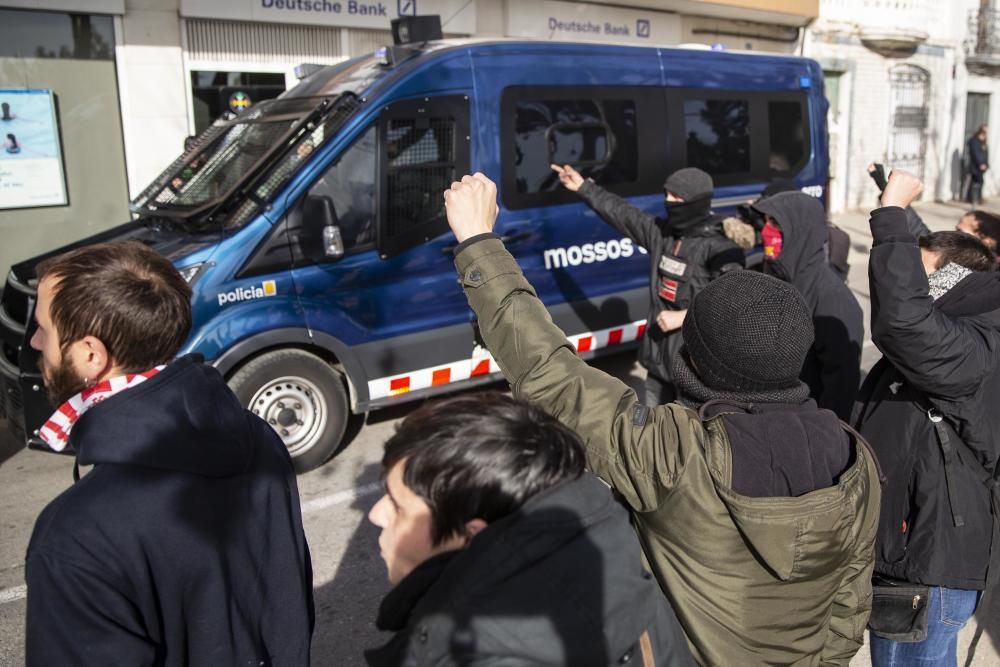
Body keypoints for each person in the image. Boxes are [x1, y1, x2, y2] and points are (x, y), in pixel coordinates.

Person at [442, 173, 882, 666]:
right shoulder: (854, 458)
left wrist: (479, 243)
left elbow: (550, 373)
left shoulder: (675, 454)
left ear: (699, 362)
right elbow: (852, 598)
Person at [24, 241, 314, 666]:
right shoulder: (257, 436)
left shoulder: (73, 536)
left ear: (90, 354)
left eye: (44, 330)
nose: (35, 342)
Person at [365, 393, 693, 667]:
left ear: (471, 535)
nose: (376, 515)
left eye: (397, 506)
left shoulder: (469, 654)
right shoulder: (623, 575)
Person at [853, 170, 1000, 667]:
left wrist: (891, 214)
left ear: (947, 281)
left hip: (927, 560)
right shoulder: (962, 326)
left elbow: (902, 318)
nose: (911, 283)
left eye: (921, 275)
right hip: (908, 551)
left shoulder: (972, 348)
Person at [550, 163, 744, 408]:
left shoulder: (720, 247)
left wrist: (684, 316)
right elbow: (622, 213)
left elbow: (733, 302)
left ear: (695, 202)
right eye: (666, 195)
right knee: (651, 431)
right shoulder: (662, 233)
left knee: (687, 434)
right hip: (657, 361)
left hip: (694, 368)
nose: (668, 202)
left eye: (676, 196)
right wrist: (583, 186)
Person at [751, 191, 864, 420]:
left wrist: (822, 437)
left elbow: (840, 386)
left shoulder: (833, 298)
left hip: (802, 425)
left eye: (775, 222)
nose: (766, 230)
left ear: (799, 230)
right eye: (766, 222)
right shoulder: (773, 276)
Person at [966, 125, 989, 205]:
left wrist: (986, 164)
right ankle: (974, 198)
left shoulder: (983, 142)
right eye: (985, 132)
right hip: (976, 166)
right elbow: (975, 154)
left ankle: (973, 198)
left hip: (981, 166)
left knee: (976, 182)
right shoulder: (974, 141)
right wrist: (981, 164)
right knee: (977, 182)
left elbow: (985, 154)